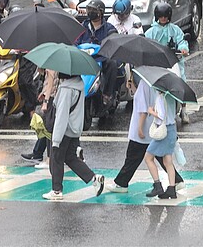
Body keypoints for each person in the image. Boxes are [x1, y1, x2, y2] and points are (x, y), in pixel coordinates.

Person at [107, 76, 184, 193]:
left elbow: (143, 108)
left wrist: (139, 128)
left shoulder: (145, 82)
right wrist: (133, 87)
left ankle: (121, 184)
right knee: (159, 156)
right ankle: (176, 181)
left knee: (133, 157)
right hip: (155, 127)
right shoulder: (159, 81)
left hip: (144, 127)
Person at [43, 72, 104, 200]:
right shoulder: (79, 85)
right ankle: (94, 178)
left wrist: (56, 139)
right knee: (70, 158)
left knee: (56, 158)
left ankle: (56, 190)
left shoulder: (66, 89)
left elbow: (62, 115)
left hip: (64, 129)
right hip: (74, 128)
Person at [144, 2, 190, 123]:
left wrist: (183, 49)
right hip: (158, 63)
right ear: (157, 16)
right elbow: (147, 43)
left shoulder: (175, 30)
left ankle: (183, 110)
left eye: (165, 16)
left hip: (174, 62)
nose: (163, 19)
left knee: (182, 82)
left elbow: (182, 41)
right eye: (161, 16)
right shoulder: (151, 32)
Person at [75, 0, 119, 108]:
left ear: (101, 12)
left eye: (93, 10)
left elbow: (113, 43)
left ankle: (107, 94)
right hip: (84, 59)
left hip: (101, 58)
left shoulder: (109, 28)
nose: (90, 12)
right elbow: (75, 42)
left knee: (112, 63)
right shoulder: (82, 27)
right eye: (88, 9)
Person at [143, 90, 179, 199]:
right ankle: (171, 189)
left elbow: (161, 116)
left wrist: (151, 111)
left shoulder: (160, 97)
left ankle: (157, 185)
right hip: (172, 129)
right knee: (168, 161)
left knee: (148, 158)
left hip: (164, 132)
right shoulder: (172, 96)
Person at [21, 69, 59, 168]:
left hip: (52, 98)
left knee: (48, 128)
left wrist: (45, 100)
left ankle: (49, 159)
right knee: (47, 127)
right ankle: (38, 153)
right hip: (53, 96)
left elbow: (51, 82)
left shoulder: (52, 64)